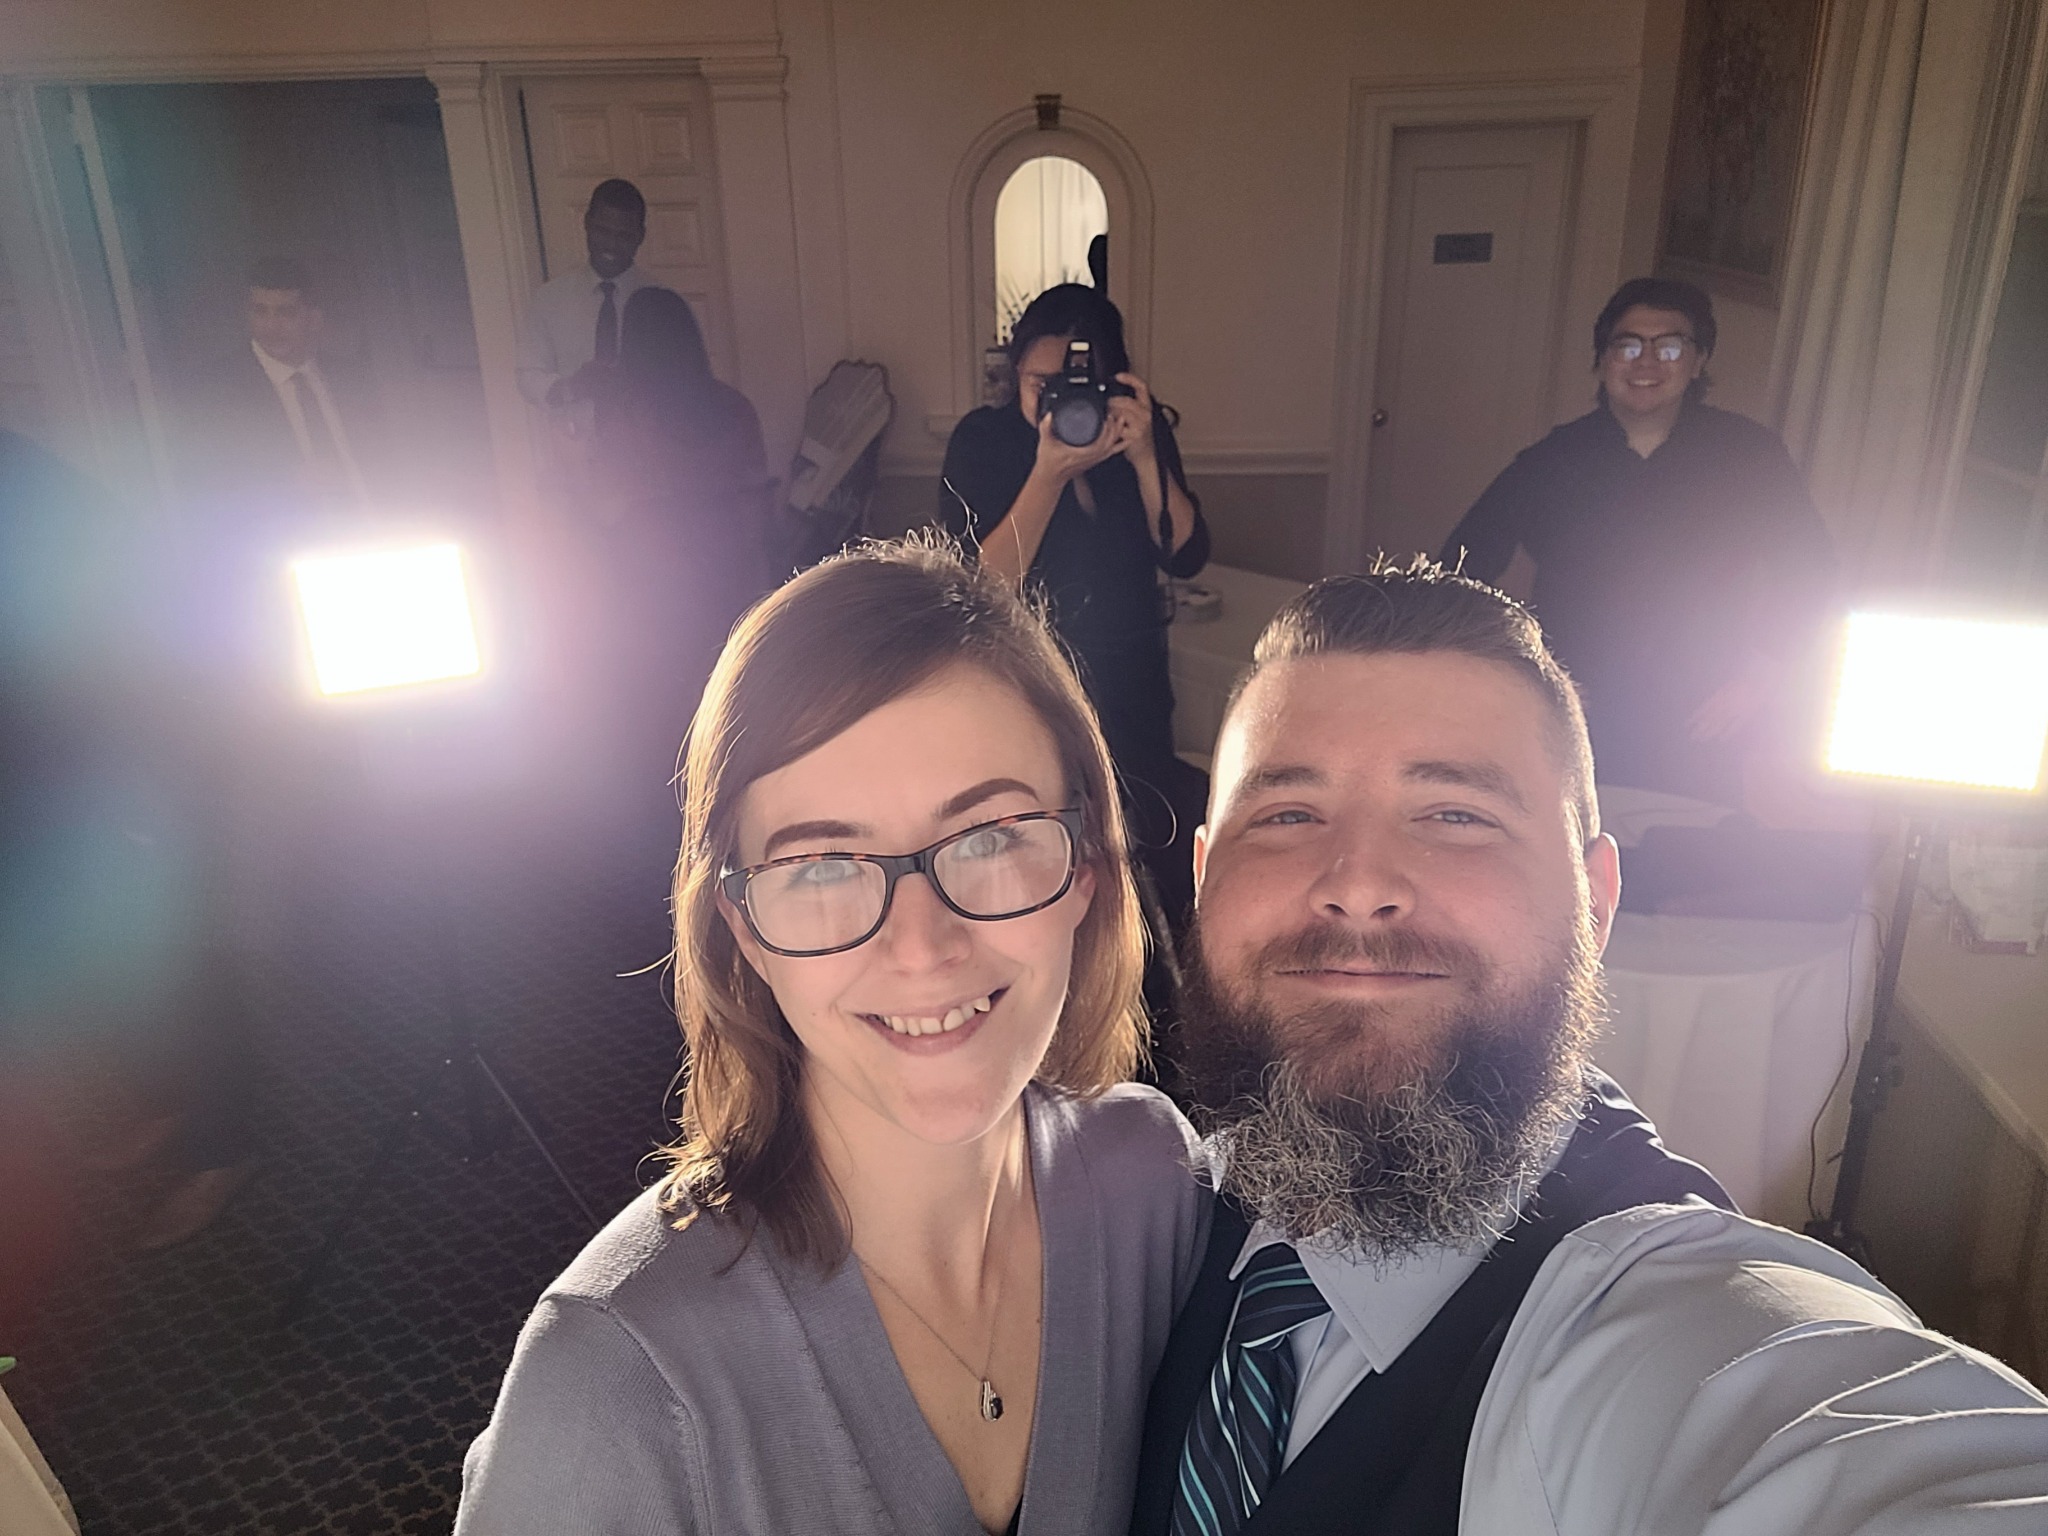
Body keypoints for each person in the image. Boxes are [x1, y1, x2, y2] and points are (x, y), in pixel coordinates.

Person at [1131, 560, 2048, 1535]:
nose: (1356, 885)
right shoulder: (1140, 1209)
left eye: (1456, 815)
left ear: (1594, 903)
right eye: (1286, 815)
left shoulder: (1682, 1330)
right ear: (1203, 879)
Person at [457, 539, 1210, 1535]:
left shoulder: (1153, 1183)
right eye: (820, 865)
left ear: (1084, 869)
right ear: (743, 929)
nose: (922, 946)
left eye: (988, 838)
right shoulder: (610, 1382)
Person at [1440, 277, 1838, 807]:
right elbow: (1458, 570)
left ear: (1697, 361)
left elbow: (1812, 571)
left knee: (1687, 838)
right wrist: (1524, 673)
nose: (1646, 362)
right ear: (1603, 360)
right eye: (1627, 346)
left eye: (1668, 347)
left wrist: (1759, 678)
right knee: (1573, 835)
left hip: (1704, 707)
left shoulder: (1749, 456)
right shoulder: (1553, 460)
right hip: (1577, 705)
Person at [936, 284, 1210, 929]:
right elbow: (981, 586)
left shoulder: (1131, 434)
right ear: (1015, 372)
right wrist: (1049, 473)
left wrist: (1145, 454)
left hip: (1133, 679)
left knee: (1148, 843)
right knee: (1048, 842)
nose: (1061, 398)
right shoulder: (983, 440)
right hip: (1032, 682)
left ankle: (1150, 966)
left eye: (1079, 382)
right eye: (1043, 383)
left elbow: (1187, 553)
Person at [586, 284, 775, 800]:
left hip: (653, 582)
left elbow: (608, 508)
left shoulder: (623, 416)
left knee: (660, 722)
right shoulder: (734, 407)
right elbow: (758, 498)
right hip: (728, 570)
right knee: (726, 703)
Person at [516, 177, 658, 416]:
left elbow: (683, 383)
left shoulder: (662, 305)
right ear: (587, 223)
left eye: (623, 235)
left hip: (647, 437)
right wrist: (572, 387)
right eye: (603, 231)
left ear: (640, 236)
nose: (611, 244)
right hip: (570, 436)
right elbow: (528, 376)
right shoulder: (549, 300)